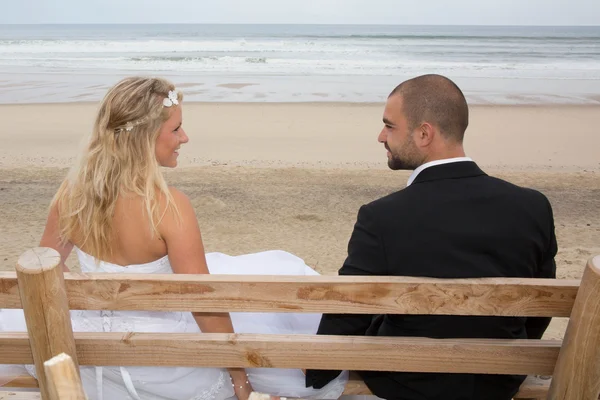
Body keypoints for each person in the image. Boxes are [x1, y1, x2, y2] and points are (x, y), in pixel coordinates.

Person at [0, 77, 348, 400]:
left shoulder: (71, 196)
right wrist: (237, 370)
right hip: (164, 358)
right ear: (145, 137)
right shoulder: (168, 206)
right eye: (177, 128)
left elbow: (45, 276)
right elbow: (204, 303)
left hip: (95, 357)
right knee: (277, 283)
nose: (185, 138)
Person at [305, 74, 558, 400]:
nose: (381, 136)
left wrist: (315, 371)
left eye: (390, 125)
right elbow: (539, 307)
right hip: (498, 380)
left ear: (424, 133)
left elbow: (348, 316)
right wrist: (509, 358)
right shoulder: (533, 207)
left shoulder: (382, 217)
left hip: (405, 383)